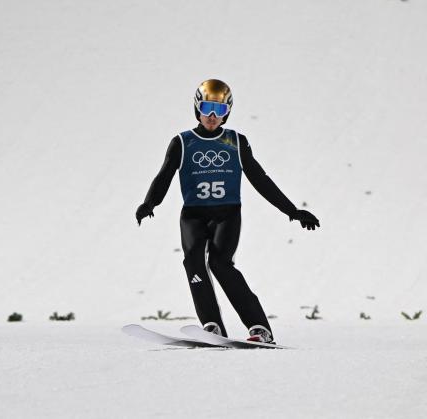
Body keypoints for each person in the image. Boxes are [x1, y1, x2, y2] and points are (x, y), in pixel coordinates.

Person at [135, 79, 319, 343]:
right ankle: (212, 325)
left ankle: (260, 328)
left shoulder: (235, 141)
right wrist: (149, 203)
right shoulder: (182, 142)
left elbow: (260, 179)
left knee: (221, 264)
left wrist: (292, 211)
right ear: (197, 108)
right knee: (193, 261)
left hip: (227, 214)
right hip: (193, 215)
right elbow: (164, 176)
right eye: (207, 108)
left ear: (227, 113)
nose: (212, 116)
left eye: (219, 111)